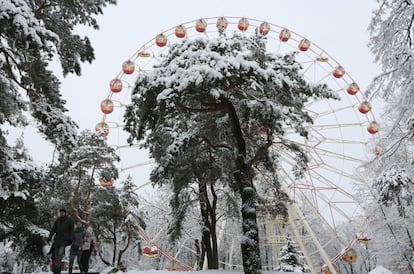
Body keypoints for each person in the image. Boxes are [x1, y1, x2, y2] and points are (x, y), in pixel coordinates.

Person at [48, 208, 74, 274]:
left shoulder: (69, 220)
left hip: (64, 240)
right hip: (57, 240)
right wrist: (50, 237)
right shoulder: (58, 220)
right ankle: (58, 269)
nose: (61, 213)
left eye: (62, 212)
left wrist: (70, 239)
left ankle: (56, 268)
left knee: (60, 254)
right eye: (60, 212)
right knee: (57, 255)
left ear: (65, 213)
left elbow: (71, 230)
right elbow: (53, 229)